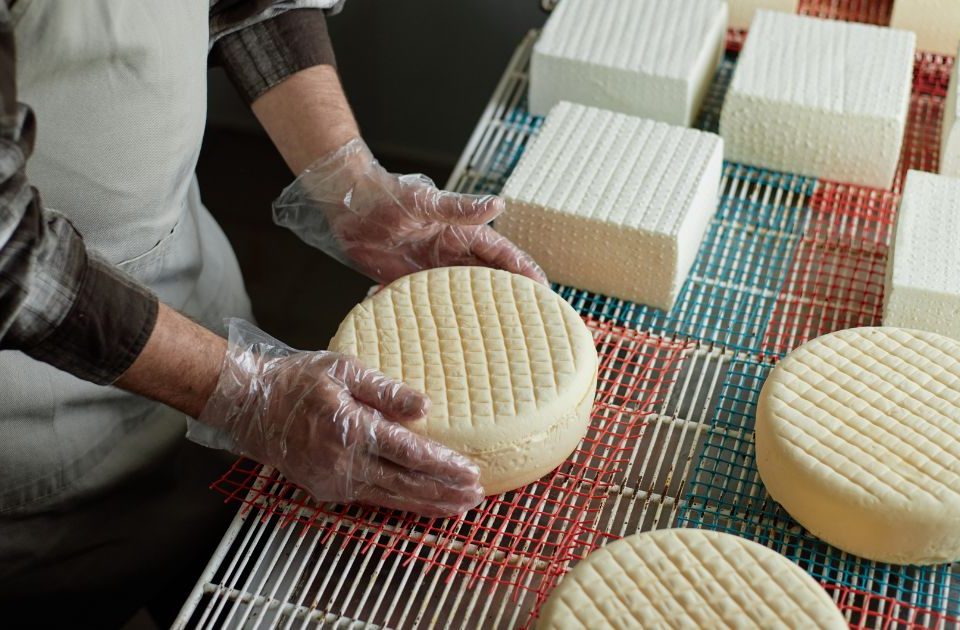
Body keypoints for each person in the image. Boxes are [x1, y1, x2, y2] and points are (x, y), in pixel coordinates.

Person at [0, 0, 546, 625]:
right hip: (32, 428)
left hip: (195, 307)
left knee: (228, 578)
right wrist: (244, 395)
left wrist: (349, 182)